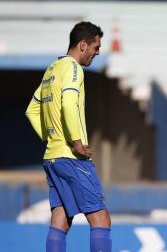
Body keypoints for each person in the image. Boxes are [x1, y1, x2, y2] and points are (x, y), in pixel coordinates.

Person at [25, 22, 111, 252]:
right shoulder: (73, 68)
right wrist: (75, 142)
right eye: (96, 46)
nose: (98, 52)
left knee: (60, 220)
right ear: (83, 45)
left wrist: (51, 137)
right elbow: (69, 104)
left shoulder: (52, 69)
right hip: (72, 157)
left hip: (53, 157)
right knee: (101, 220)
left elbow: (32, 110)